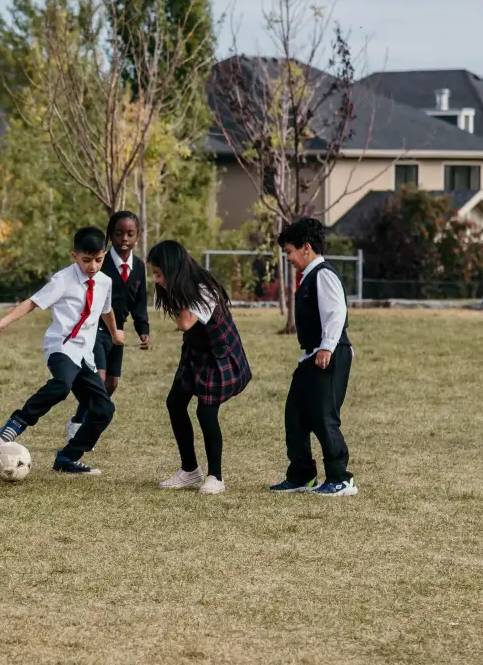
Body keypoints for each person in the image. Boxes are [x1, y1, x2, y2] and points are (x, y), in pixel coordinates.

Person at [0, 226, 126, 475]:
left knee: (104, 409)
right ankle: (15, 423)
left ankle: (67, 459)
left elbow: (105, 309)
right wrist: (0, 324)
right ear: (74, 256)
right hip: (61, 345)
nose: (92, 266)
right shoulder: (63, 280)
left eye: (98, 260)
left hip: (85, 355)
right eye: (86, 260)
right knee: (62, 384)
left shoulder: (104, 282)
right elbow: (31, 303)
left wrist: (114, 333)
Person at [148, 239, 252, 495]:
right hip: (196, 354)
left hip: (218, 358)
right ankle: (189, 470)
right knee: (175, 403)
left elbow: (185, 322)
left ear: (173, 270)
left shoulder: (203, 289)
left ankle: (216, 477)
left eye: (160, 274)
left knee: (206, 414)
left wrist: (174, 289)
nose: (157, 281)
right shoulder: (180, 287)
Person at [270, 217, 357, 496]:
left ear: (306, 248)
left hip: (329, 353)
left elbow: (336, 312)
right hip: (311, 356)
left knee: (323, 416)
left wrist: (326, 347)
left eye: (290, 252)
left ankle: (340, 478)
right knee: (295, 413)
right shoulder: (308, 276)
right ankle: (301, 475)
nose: (289, 258)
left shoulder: (323, 274)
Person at [65, 210, 151, 442]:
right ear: (110, 236)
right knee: (99, 379)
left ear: (137, 236)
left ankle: (82, 418)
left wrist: (144, 330)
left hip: (117, 332)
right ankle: (79, 425)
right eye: (119, 233)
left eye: (130, 234)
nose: (124, 238)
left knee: (111, 383)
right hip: (95, 329)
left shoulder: (140, 268)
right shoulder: (99, 264)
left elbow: (140, 303)